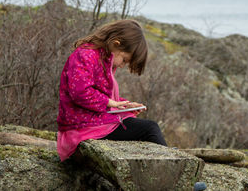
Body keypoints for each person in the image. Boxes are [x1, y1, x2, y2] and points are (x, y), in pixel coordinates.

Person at [57, 19, 167, 161]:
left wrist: (124, 106)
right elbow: (80, 92)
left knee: (146, 129)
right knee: (149, 129)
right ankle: (175, 166)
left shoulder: (102, 58)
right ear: (116, 43)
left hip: (94, 122)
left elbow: (101, 95)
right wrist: (111, 103)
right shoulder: (85, 55)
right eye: (124, 60)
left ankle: (170, 164)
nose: (122, 65)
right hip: (82, 128)